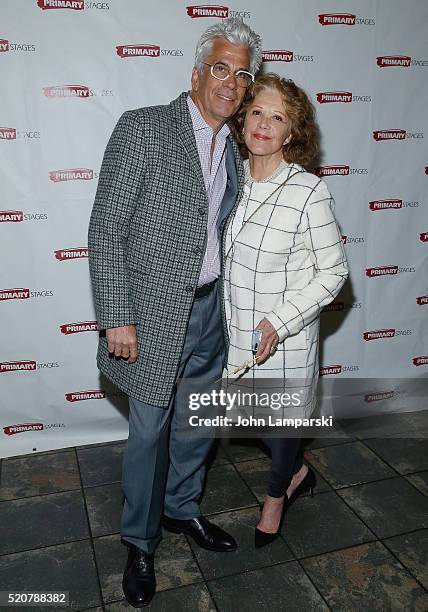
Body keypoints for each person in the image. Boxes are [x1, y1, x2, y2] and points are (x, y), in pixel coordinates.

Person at [88, 17, 262, 607]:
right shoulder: (144, 129)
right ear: (196, 72)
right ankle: (139, 541)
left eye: (242, 74)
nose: (230, 83)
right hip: (154, 313)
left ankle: (181, 509)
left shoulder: (236, 148)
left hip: (212, 310)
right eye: (220, 68)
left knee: (197, 427)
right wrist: (117, 315)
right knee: (149, 434)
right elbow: (107, 228)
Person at [225, 73, 348, 548]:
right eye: (257, 111)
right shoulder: (227, 179)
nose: (263, 123)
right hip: (234, 331)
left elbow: (334, 271)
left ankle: (277, 495)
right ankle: (298, 468)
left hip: (285, 339)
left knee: (281, 427)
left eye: (277, 117)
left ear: (291, 133)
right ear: (242, 120)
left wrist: (282, 319)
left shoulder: (308, 192)